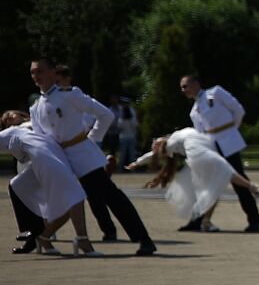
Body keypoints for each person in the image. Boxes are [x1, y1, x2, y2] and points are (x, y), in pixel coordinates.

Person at [27, 58, 156, 256]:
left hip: (83, 156)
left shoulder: (71, 95)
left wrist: (92, 139)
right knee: (61, 199)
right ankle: (47, 237)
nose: (37, 76)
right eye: (33, 72)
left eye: (41, 71)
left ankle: (143, 239)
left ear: (53, 72)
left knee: (111, 197)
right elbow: (40, 139)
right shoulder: (35, 108)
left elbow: (106, 115)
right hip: (60, 160)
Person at [131, 128, 259, 229]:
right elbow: (153, 153)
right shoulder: (172, 142)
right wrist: (138, 162)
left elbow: (153, 153)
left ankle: (206, 221)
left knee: (219, 181)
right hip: (200, 153)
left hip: (203, 150)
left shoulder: (173, 139)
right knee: (223, 175)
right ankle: (253, 188)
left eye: (156, 142)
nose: (156, 142)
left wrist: (137, 162)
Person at [1, 110, 97, 256]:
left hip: (52, 158)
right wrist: (19, 154)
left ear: (23, 115)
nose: (8, 119)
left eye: (11, 115)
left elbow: (85, 118)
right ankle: (44, 236)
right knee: (73, 199)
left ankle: (43, 237)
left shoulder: (37, 123)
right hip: (44, 160)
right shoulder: (14, 132)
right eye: (5, 120)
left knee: (70, 200)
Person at [181, 74, 259, 233]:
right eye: (182, 87)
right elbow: (200, 133)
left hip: (228, 143)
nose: (183, 90)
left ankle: (255, 220)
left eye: (186, 86)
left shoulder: (216, 93)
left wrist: (232, 131)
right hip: (212, 147)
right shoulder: (194, 112)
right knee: (206, 184)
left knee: (240, 182)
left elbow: (238, 110)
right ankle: (197, 220)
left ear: (196, 83)